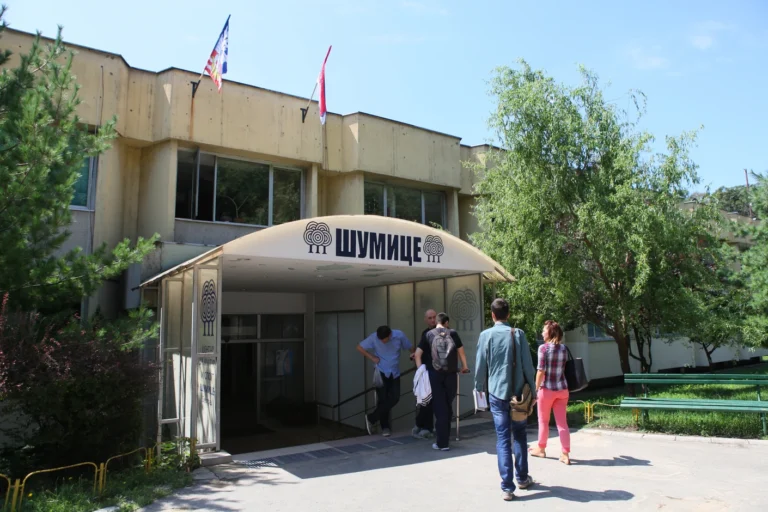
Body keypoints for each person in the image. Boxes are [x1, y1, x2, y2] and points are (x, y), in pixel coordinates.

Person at [475, 298, 536, 502]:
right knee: (519, 435)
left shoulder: (486, 335)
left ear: (492, 315)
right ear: (508, 314)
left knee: (502, 439)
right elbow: (528, 366)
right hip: (518, 396)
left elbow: (480, 366)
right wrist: (533, 392)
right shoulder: (518, 334)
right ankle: (522, 478)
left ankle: (507, 488)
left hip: (496, 394)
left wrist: (478, 388)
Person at [414, 312, 470, 451]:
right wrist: (464, 367)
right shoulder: (453, 333)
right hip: (451, 375)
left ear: (437, 321)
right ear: (447, 323)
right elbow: (461, 352)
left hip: (435, 375)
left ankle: (442, 443)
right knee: (447, 407)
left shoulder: (429, 334)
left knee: (440, 409)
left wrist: (421, 371)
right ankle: (444, 439)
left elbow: (417, 354)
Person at [357, 325, 413, 437]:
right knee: (383, 400)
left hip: (394, 372)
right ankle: (385, 428)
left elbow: (410, 347)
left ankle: (371, 418)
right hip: (380, 371)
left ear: (390, 335)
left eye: (384, 339)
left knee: (395, 398)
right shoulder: (374, 337)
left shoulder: (399, 335)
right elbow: (359, 347)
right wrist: (372, 357)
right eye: (380, 339)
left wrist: (413, 355)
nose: (382, 341)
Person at [530, 320, 571, 465]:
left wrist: (535, 389)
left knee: (543, 421)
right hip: (562, 389)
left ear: (550, 333)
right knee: (562, 423)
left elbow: (540, 371)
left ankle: (541, 449)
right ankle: (565, 453)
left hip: (546, 390)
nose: (542, 333)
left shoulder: (543, 349)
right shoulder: (564, 348)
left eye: (544, 330)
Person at [412, 309, 437, 439]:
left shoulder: (441, 332)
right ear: (425, 320)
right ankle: (423, 425)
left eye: (434, 317)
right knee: (426, 400)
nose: (433, 320)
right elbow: (420, 351)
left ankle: (424, 426)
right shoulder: (425, 333)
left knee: (428, 400)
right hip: (427, 370)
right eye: (430, 318)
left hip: (437, 370)